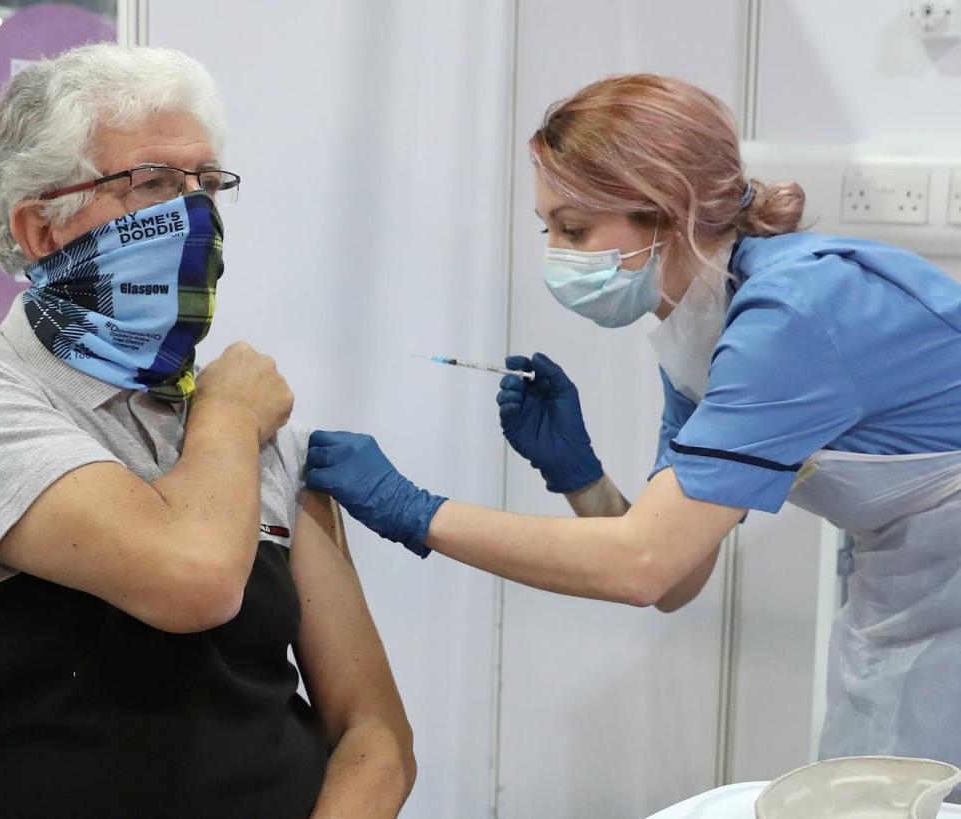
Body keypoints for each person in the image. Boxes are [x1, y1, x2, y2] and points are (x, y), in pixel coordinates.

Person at [305, 74, 961, 776]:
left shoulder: (791, 316)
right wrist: (580, 477)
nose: (555, 252)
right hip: (910, 584)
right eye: (548, 226)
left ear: (667, 209)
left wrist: (414, 510)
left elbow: (644, 566)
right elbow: (678, 577)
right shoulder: (703, 332)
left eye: (575, 228)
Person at [0, 43, 413, 818]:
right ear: (42, 230)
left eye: (207, 183)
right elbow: (195, 576)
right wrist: (228, 414)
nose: (196, 215)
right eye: (152, 183)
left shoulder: (257, 424)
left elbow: (375, 732)